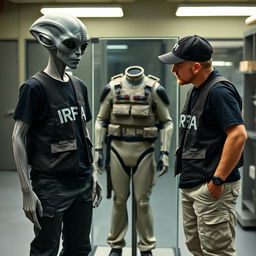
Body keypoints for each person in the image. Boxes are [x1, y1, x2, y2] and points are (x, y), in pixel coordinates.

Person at [12, 13, 102, 256]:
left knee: (79, 248)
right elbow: (18, 136)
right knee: (46, 249)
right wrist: (26, 190)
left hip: (82, 182)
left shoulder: (79, 85)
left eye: (82, 47)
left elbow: (83, 131)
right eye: (71, 45)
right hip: (51, 184)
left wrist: (92, 171)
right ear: (48, 41)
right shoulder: (35, 87)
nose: (78, 53)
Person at [158, 35, 247, 256]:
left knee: (217, 251)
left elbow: (238, 135)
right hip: (192, 182)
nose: (173, 70)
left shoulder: (219, 91)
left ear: (196, 67)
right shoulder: (196, 89)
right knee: (196, 247)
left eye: (178, 65)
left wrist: (218, 179)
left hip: (212, 185)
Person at [93, 66, 173, 256]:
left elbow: (167, 122)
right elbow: (100, 120)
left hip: (144, 152)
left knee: (143, 202)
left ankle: (146, 247)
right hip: (117, 151)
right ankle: (116, 245)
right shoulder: (113, 88)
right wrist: (98, 150)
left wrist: (165, 152)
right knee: (119, 201)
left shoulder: (154, 89)